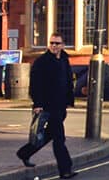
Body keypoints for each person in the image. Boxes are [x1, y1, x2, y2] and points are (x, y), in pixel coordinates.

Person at [16, 33, 76, 179]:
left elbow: (68, 81)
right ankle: (65, 170)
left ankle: (24, 153)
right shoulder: (42, 62)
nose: (54, 46)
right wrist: (37, 104)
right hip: (47, 106)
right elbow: (35, 85)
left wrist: (70, 100)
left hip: (61, 106)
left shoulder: (64, 60)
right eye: (52, 43)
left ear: (62, 45)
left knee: (49, 135)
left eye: (57, 43)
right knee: (59, 139)